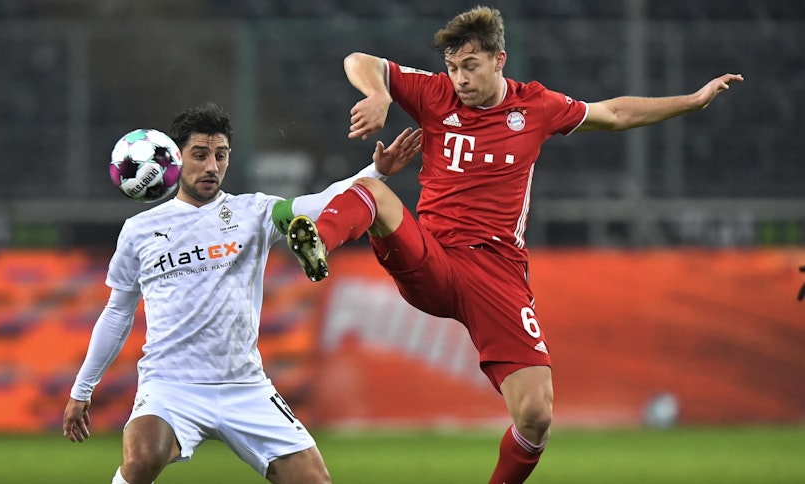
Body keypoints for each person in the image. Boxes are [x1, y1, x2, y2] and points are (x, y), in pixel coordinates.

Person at [285, 6, 744, 483]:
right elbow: (359, 59)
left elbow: (614, 112)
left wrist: (692, 100)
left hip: (497, 274)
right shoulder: (434, 94)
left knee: (536, 415)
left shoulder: (536, 107)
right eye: (453, 68)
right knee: (377, 192)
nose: (459, 79)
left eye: (471, 66)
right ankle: (318, 239)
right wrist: (379, 93)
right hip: (433, 257)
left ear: (499, 59)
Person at [62, 102, 421, 484]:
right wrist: (82, 389)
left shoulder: (255, 212)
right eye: (200, 155)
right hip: (170, 385)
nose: (212, 166)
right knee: (141, 460)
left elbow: (319, 203)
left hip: (245, 386)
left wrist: (376, 172)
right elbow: (117, 312)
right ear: (175, 159)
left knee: (315, 481)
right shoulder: (140, 230)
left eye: (221, 155)